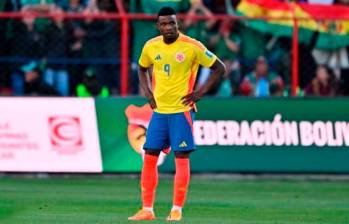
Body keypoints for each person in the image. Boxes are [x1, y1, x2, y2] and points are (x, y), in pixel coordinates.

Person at [128, 7, 226, 221]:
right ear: (158, 26)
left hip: (182, 112)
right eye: (164, 24)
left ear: (177, 24)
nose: (169, 27)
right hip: (159, 112)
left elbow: (220, 68)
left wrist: (199, 93)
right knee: (149, 158)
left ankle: (176, 209)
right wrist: (147, 92)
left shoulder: (192, 46)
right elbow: (142, 67)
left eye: (172, 23)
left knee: (181, 158)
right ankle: (147, 209)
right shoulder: (151, 46)